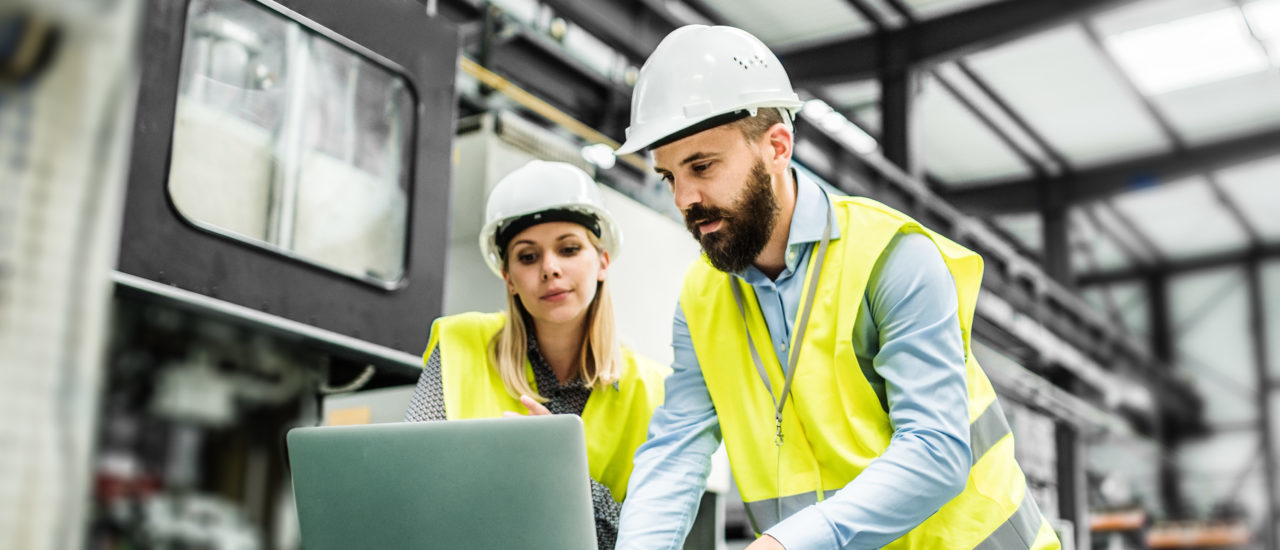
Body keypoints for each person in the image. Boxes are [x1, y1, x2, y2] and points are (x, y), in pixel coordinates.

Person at [611, 25, 1062, 550]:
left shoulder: (892, 258)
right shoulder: (701, 299)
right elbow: (674, 452)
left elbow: (937, 450)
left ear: (777, 147)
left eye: (702, 166)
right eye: (668, 177)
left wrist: (786, 544)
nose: (684, 198)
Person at [403, 160, 669, 549]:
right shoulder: (459, 344)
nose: (550, 268)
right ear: (509, 277)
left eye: (569, 248)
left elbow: (649, 539)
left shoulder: (655, 391)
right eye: (528, 257)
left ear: (602, 261)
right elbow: (409, 482)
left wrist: (564, 472)